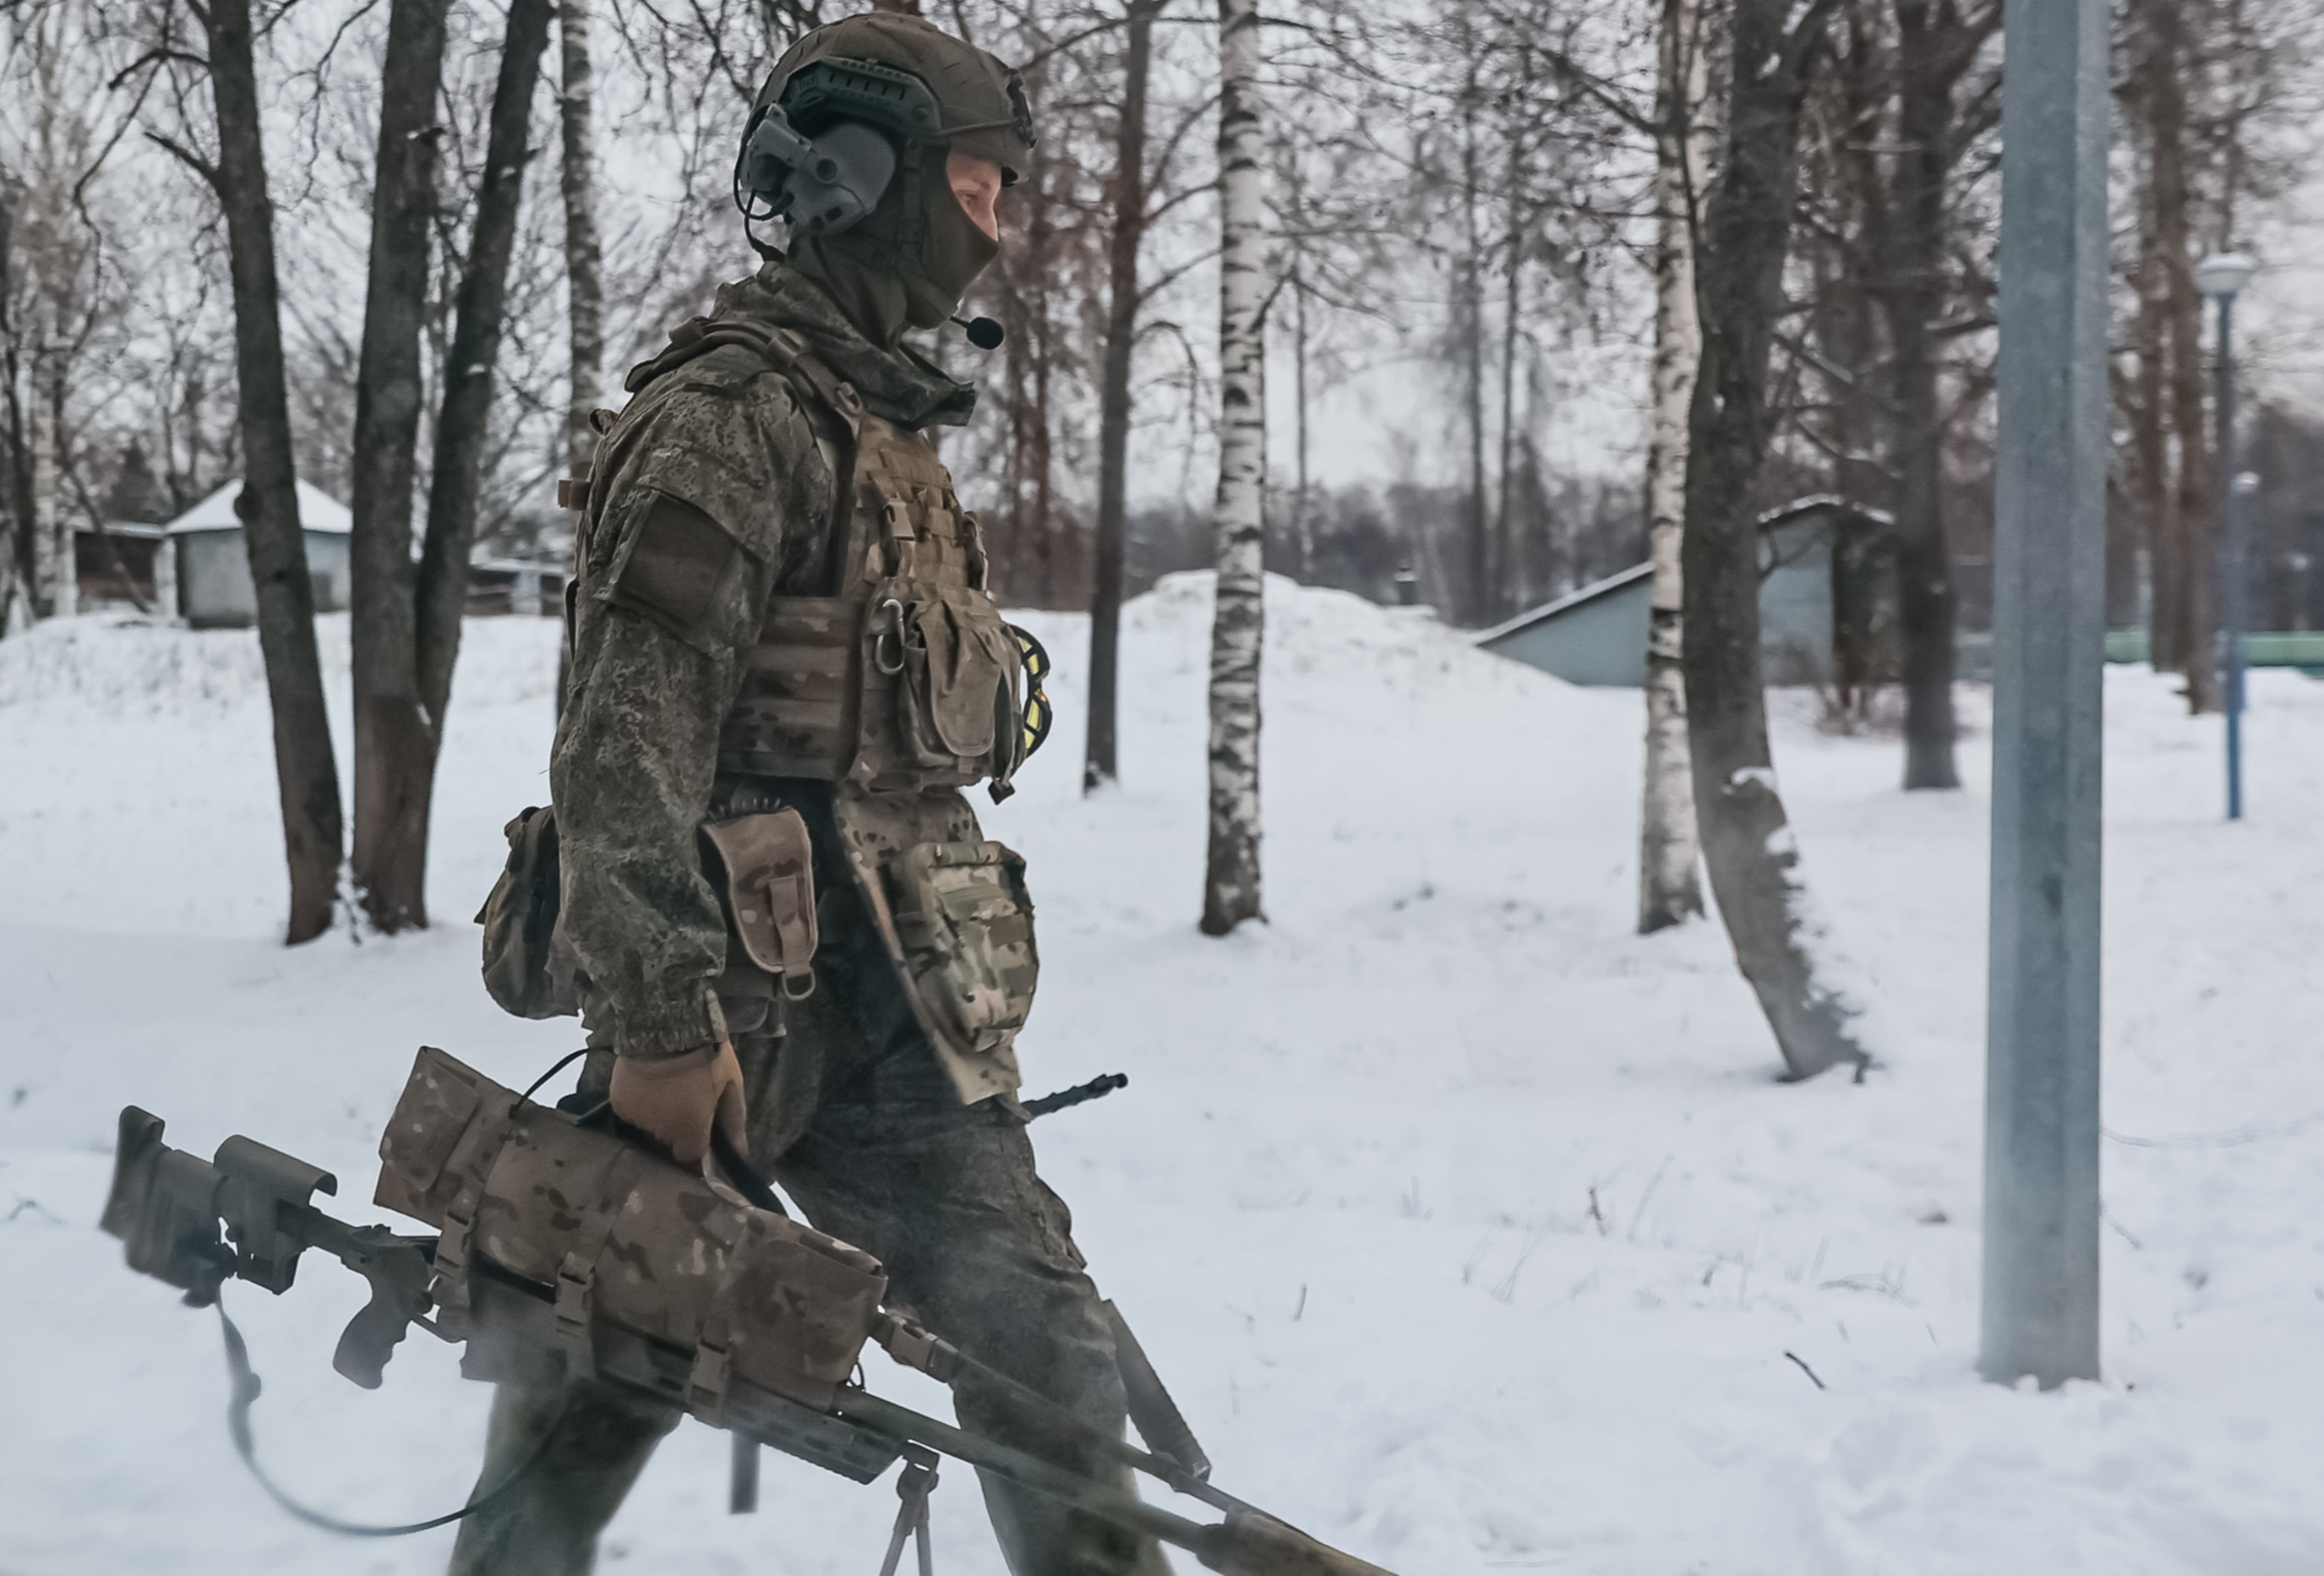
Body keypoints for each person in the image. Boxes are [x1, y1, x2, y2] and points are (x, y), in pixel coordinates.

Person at [450, 16, 1167, 1575]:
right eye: (978, 190)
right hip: (733, 1011)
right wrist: (654, 1025)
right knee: (605, 1359)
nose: (997, 227)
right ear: (861, 183)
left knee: (1044, 1362)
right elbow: (620, 743)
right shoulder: (730, 418)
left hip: (904, 1023)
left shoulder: (888, 437)